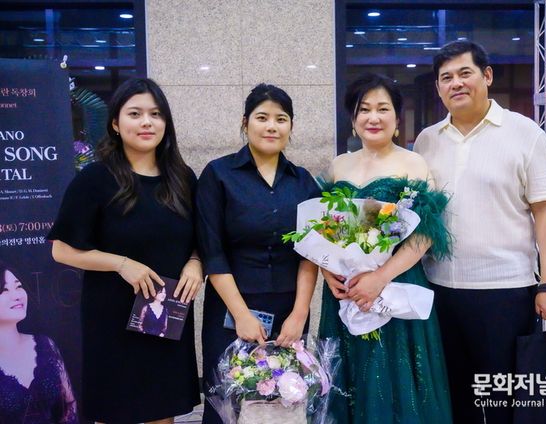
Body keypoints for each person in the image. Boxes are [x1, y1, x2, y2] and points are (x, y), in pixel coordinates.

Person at [413, 40, 546, 424]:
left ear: (487, 76)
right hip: (439, 290)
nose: (456, 83)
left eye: (465, 73)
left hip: (505, 293)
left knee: (504, 400)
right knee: (455, 397)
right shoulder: (427, 140)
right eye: (446, 77)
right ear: (438, 87)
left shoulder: (525, 133)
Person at [48, 77, 201, 423]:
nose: (147, 122)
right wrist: (121, 263)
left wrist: (196, 262)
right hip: (111, 320)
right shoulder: (95, 179)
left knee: (162, 411)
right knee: (116, 410)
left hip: (165, 318)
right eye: (135, 113)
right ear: (116, 124)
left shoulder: (182, 178)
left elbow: (200, 239)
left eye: (156, 114)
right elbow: (62, 250)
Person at [317, 73, 453, 424]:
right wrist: (327, 269)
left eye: (382, 109)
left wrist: (379, 278)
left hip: (396, 284)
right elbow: (324, 231)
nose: (373, 117)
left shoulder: (413, 163)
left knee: (395, 377)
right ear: (353, 119)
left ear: (397, 118)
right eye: (364, 109)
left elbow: (425, 234)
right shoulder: (339, 165)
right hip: (346, 290)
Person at [196, 83, 320, 424]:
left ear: (291, 126)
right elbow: (212, 251)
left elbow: (310, 255)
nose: (271, 126)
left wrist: (299, 314)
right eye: (262, 117)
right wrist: (242, 316)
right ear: (245, 122)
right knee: (227, 400)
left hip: (288, 312)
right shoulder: (218, 174)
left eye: (281, 119)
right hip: (230, 309)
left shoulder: (303, 181)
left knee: (285, 402)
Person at [0, 260, 78, 423]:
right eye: (5, 290)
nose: (17, 295)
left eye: (18, 286)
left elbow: (70, 404)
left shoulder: (45, 345)